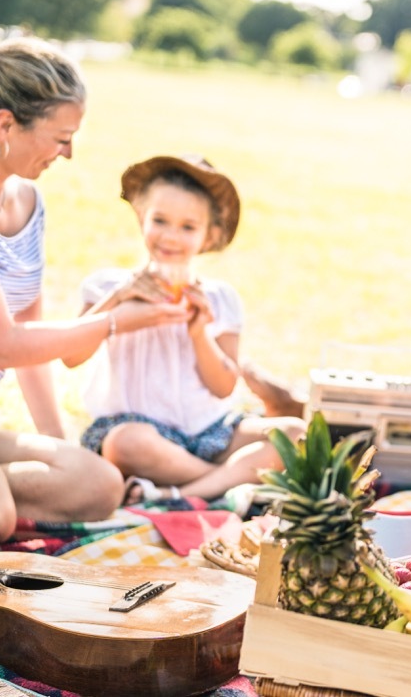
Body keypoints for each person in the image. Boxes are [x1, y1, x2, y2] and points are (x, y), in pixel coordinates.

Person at [0, 25, 187, 546]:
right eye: (61, 138)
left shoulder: (26, 202)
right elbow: (0, 346)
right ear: (5, 124)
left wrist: (58, 448)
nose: (68, 154)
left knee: (96, 483)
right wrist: (112, 322)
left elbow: (31, 337)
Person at [63, 155, 301, 504]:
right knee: (125, 443)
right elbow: (70, 355)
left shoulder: (219, 299)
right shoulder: (106, 287)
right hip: (139, 436)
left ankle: (177, 492)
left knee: (295, 434)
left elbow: (223, 387)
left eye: (188, 227)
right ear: (141, 217)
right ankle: (224, 482)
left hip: (209, 432)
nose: (171, 236)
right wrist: (118, 299)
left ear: (209, 236)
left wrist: (199, 333)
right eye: (160, 221)